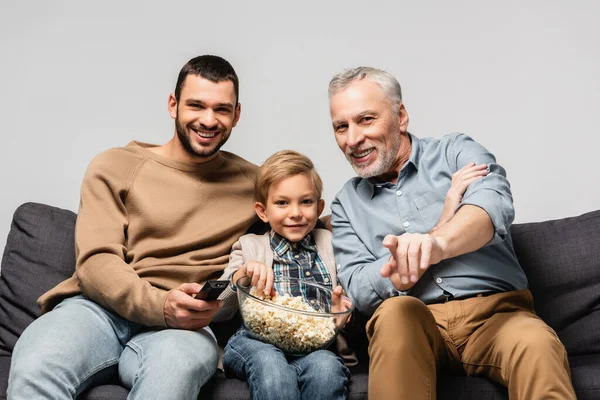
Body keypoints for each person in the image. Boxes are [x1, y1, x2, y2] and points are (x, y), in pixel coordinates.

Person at [8, 55, 258, 399]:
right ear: (173, 105)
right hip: (97, 313)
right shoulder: (114, 166)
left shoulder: (255, 185)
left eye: (222, 109)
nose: (208, 120)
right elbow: (97, 263)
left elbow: (304, 215)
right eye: (196, 105)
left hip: (183, 329)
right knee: (35, 366)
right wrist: (160, 304)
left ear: (237, 115)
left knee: (174, 371)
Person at [328, 67, 576, 399]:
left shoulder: (455, 152)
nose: (352, 138)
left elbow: (492, 205)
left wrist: (437, 243)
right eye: (341, 127)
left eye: (366, 120)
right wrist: (409, 264)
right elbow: (358, 287)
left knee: (537, 344)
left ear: (400, 116)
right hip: (412, 322)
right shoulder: (346, 203)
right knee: (395, 313)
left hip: (496, 314)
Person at [218, 150, 351, 400]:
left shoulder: (331, 245)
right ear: (262, 211)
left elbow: (346, 299)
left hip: (313, 347)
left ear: (320, 206)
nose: (295, 212)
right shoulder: (249, 246)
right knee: (271, 366)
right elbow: (220, 307)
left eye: (306, 202)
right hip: (254, 342)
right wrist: (242, 275)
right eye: (282, 203)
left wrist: (339, 313)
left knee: (327, 370)